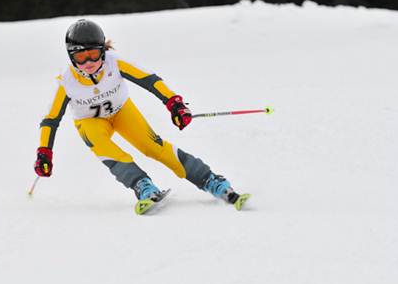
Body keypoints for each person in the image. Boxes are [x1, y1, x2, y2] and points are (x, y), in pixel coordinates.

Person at [34, 19, 248, 214]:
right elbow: (51, 120)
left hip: (121, 112)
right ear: (71, 56)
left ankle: (209, 179)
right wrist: (44, 152)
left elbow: (150, 80)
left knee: (153, 146)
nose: (88, 62)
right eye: (80, 57)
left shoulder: (114, 63)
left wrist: (175, 104)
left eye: (94, 54)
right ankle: (142, 186)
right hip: (90, 122)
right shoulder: (66, 81)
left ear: (103, 51)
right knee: (103, 146)